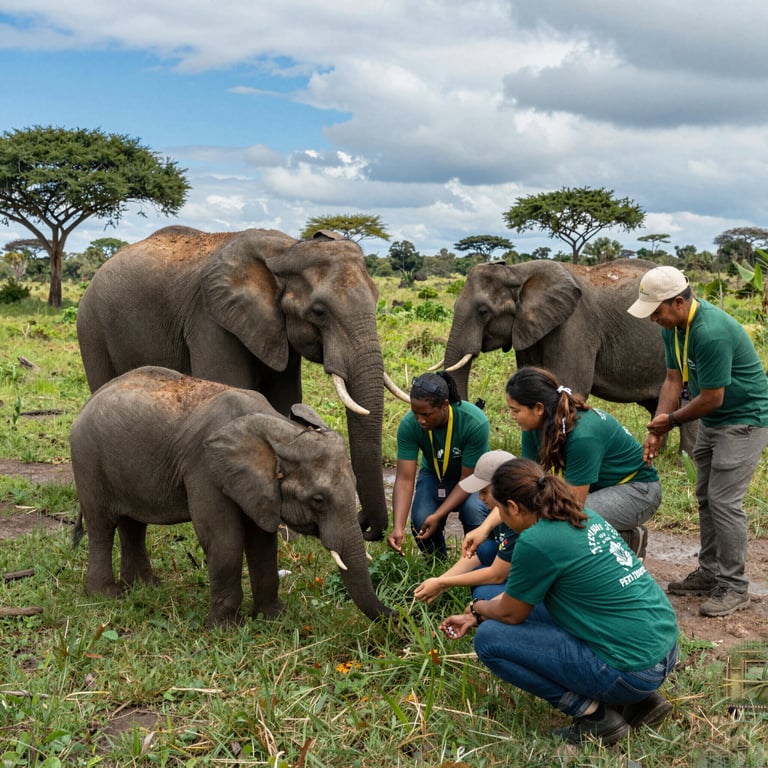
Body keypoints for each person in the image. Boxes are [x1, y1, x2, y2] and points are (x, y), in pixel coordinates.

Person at [439, 458, 679, 746]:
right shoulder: (583, 514)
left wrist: (477, 611)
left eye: (500, 510)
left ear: (513, 508)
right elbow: (516, 601)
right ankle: (640, 702)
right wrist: (477, 614)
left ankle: (595, 717)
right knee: (493, 601)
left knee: (490, 640)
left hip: (633, 670)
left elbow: (512, 614)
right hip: (663, 648)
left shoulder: (535, 541)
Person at [627, 265, 768, 617]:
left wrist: (671, 420)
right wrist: (656, 429)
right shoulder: (673, 328)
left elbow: (712, 398)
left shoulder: (711, 331)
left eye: (656, 311)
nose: (652, 319)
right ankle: (709, 573)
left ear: (677, 302)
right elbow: (673, 381)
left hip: (744, 419)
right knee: (705, 495)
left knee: (724, 501)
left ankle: (734, 586)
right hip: (713, 419)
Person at [465, 366, 661, 559]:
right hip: (597, 488)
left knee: (562, 519)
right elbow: (520, 487)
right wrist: (485, 528)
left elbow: (572, 507)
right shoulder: (534, 427)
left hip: (637, 491)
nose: (511, 416)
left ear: (539, 408)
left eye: (516, 410)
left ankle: (626, 539)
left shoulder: (583, 436)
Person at [387, 372, 498, 565]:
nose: (420, 420)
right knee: (421, 520)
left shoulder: (474, 421)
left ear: (445, 405)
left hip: (475, 477)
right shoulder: (409, 425)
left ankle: (478, 563)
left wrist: (438, 515)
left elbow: (467, 479)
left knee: (474, 510)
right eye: (416, 413)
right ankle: (437, 565)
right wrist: (398, 526)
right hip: (435, 475)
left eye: (427, 414)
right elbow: (405, 479)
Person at [414, 449, 517, 604]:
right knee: (485, 550)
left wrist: (443, 584)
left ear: (504, 489)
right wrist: (440, 581)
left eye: (483, 491)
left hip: (538, 589)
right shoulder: (503, 510)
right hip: (517, 569)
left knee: (483, 593)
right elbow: (479, 553)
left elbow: (497, 574)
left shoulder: (519, 522)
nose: (479, 497)